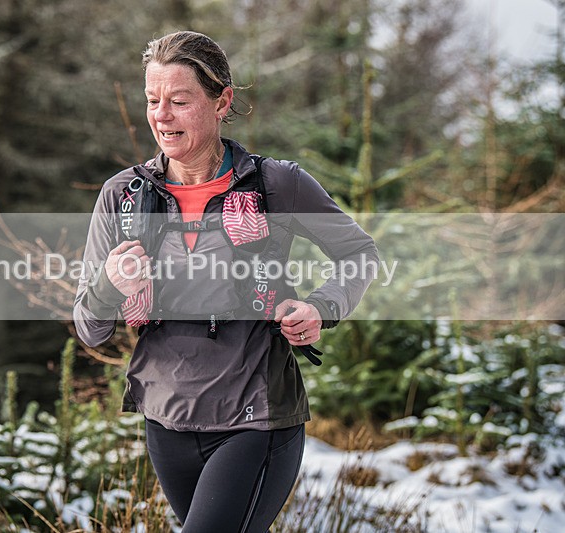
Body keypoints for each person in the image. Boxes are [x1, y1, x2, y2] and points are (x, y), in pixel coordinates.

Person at [73, 31, 378, 532]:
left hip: (254, 418)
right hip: (166, 419)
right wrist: (109, 284)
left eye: (179, 101)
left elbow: (359, 253)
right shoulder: (123, 196)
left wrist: (321, 307)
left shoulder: (276, 184)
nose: (161, 116)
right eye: (152, 101)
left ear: (222, 102)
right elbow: (90, 327)